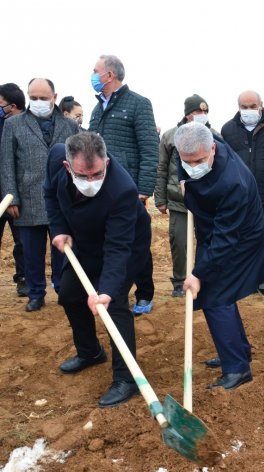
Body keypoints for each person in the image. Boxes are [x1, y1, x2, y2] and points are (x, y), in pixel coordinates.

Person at [45, 132, 151, 407]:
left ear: (106, 161)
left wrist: (106, 291)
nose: (91, 182)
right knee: (69, 294)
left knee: (112, 305)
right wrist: (59, 230)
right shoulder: (57, 158)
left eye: (97, 174)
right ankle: (90, 352)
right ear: (68, 166)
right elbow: (50, 195)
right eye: (83, 175)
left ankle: (127, 378)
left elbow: (117, 248)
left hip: (125, 244)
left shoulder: (122, 189)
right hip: (85, 241)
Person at [175, 122, 264, 390]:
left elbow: (226, 238)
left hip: (240, 240)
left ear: (213, 150)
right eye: (187, 161)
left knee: (216, 296)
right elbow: (181, 168)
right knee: (219, 295)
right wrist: (185, 183)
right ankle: (238, 350)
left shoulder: (234, 182)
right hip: (214, 231)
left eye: (199, 161)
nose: (193, 166)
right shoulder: (185, 150)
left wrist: (197, 273)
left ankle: (238, 369)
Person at [87, 54, 159, 315]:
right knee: (110, 242)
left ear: (110, 75)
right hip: (101, 189)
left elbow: (150, 149)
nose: (92, 75)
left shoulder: (138, 104)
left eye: (95, 71)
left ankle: (144, 293)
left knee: (137, 242)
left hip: (128, 189)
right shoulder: (97, 109)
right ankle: (114, 291)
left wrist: (143, 189)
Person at [0, 78, 78, 312]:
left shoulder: (69, 126)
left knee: (62, 249)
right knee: (31, 251)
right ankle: (36, 293)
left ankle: (62, 288)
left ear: (54, 97)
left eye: (43, 98)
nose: (38, 102)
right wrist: (11, 196)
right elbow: (6, 163)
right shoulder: (14, 125)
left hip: (61, 200)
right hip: (28, 198)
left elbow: (76, 163)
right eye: (33, 98)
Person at [221, 90, 264, 297]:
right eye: (244, 107)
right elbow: (224, 162)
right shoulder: (228, 129)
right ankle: (244, 281)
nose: (249, 111)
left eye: (253, 106)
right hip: (240, 198)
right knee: (241, 239)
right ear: (238, 107)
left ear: (261, 105)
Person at [155, 94, 217, 298]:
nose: (202, 115)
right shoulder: (171, 136)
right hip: (178, 200)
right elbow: (162, 168)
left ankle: (203, 278)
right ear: (187, 115)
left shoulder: (214, 137)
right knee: (179, 242)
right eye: (198, 112)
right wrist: (161, 198)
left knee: (206, 241)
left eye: (205, 112)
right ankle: (180, 281)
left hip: (207, 202)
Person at [0, 82, 27, 296]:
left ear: (14, 105)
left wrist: (14, 195)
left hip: (16, 195)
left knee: (22, 241)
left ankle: (23, 278)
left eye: (1, 104)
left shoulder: (23, 128)